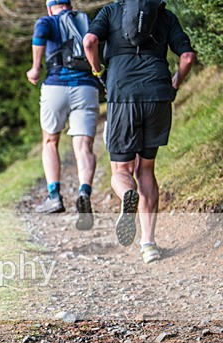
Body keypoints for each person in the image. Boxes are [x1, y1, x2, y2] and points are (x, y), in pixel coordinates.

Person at [84, 2, 195, 263]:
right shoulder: (164, 15)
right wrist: (175, 83)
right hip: (157, 96)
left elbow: (90, 41)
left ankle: (127, 196)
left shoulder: (111, 12)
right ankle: (149, 244)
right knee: (146, 169)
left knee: (121, 171)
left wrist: (99, 72)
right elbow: (188, 57)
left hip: (123, 96)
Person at [27, 0, 100, 230]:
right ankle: (84, 191)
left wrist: (36, 67)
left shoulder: (47, 21)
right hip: (86, 88)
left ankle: (54, 196)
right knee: (84, 147)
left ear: (50, 7)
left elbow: (39, 35)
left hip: (56, 86)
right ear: (70, 5)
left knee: (50, 141)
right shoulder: (85, 20)